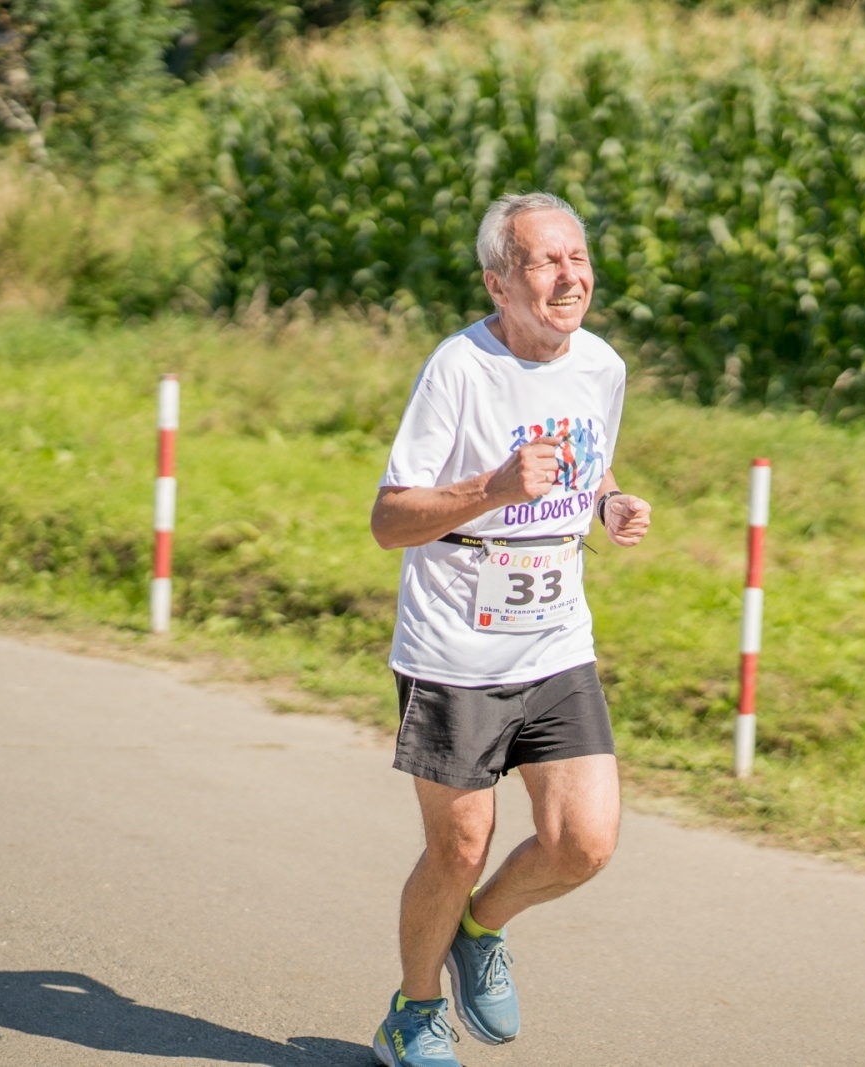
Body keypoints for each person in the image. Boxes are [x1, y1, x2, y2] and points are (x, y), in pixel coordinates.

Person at [367, 191, 652, 1067]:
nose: (570, 277)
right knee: (458, 845)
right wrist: (493, 488)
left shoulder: (601, 364)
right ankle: (412, 1015)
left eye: (579, 258)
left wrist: (607, 501)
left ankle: (480, 927)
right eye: (544, 262)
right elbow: (389, 518)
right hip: (456, 649)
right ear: (499, 282)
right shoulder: (458, 369)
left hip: (557, 638)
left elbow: (586, 458)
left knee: (584, 843)